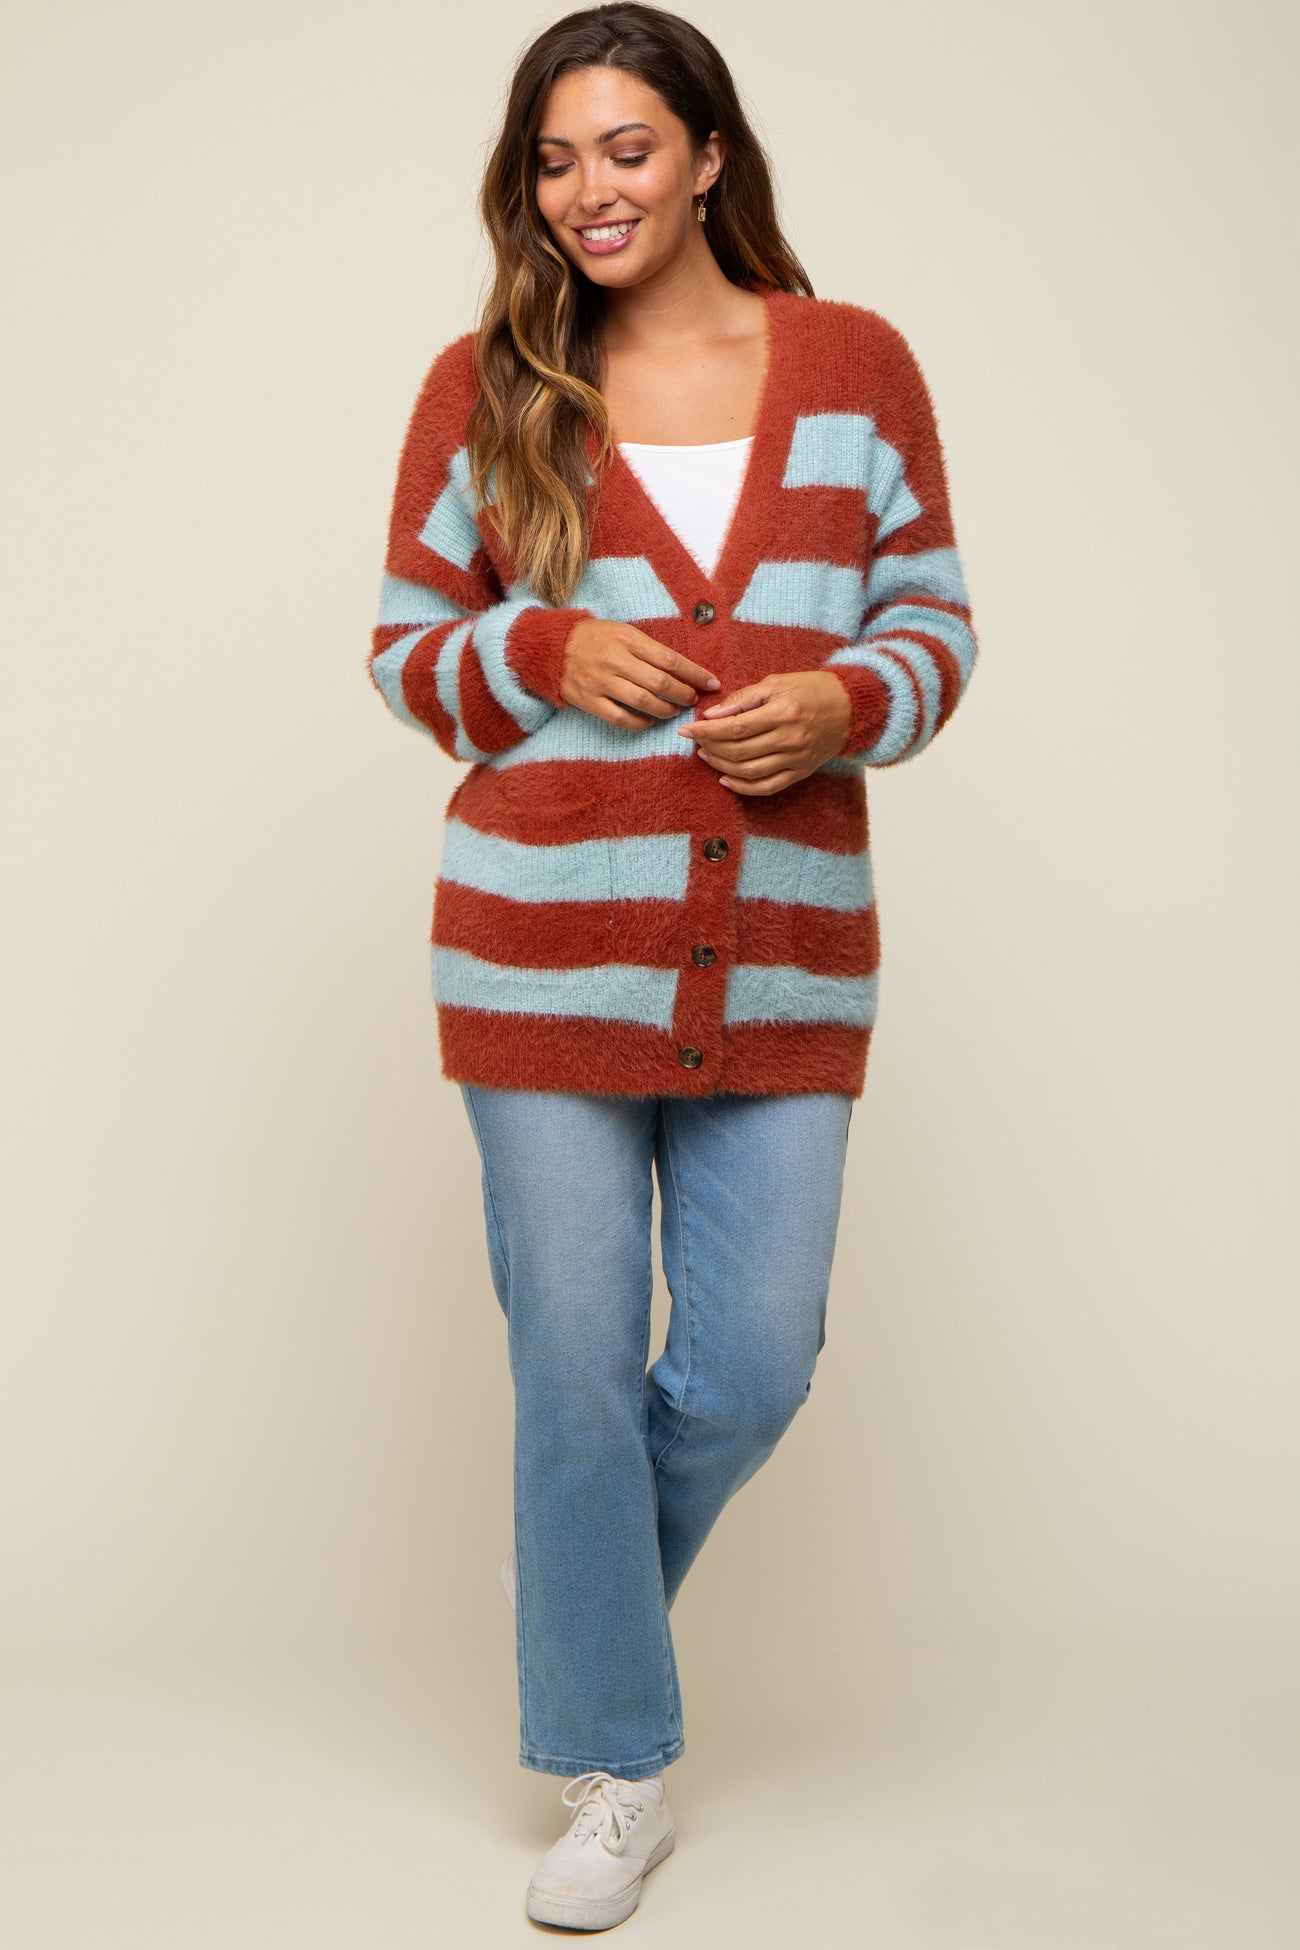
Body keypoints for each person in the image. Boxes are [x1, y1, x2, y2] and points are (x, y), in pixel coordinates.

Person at [367, 2, 979, 1929]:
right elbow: (407, 652)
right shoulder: (489, 384)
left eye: (626, 149)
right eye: (554, 161)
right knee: (571, 1368)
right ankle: (613, 1760)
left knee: (756, 1361)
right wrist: (539, 648)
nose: (589, 191)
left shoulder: (854, 365)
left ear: (708, 156)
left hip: (781, 954)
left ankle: (579, 1575)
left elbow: (937, 623)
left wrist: (846, 702)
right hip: (537, 956)